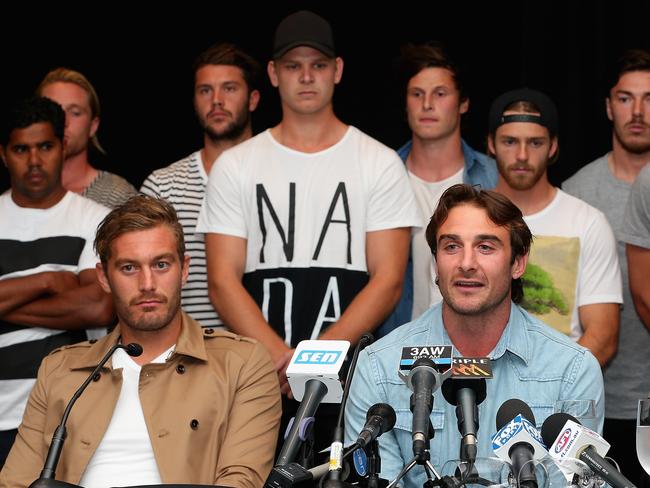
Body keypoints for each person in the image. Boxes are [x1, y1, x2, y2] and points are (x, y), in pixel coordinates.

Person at [196, 10, 419, 455]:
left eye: (318, 65)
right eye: (293, 66)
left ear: (337, 71)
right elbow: (221, 280)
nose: (306, 77)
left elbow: (389, 278)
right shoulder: (237, 165)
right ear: (275, 74)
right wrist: (280, 358)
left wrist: (313, 361)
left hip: (350, 376)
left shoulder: (377, 161)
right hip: (258, 372)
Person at [0, 195, 282, 488]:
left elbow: (241, 482)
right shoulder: (61, 369)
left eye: (161, 265)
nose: (147, 284)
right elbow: (15, 482)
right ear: (104, 278)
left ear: (184, 269)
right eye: (129, 268)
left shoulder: (241, 363)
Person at [345, 184, 604, 488]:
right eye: (451, 246)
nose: (466, 264)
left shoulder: (571, 370)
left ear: (518, 263)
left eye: (486, 247)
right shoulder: (379, 367)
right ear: (436, 262)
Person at [0, 97, 113, 467]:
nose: (34, 161)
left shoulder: (95, 219)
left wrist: (8, 301)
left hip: (68, 415)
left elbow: (97, 305)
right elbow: (80, 302)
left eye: (45, 147)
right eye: (21, 149)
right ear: (3, 154)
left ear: (63, 147)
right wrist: (50, 280)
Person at [563, 48, 650, 485]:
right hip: (603, 397)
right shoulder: (577, 193)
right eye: (625, 98)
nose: (638, 112)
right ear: (607, 107)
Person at [490, 88, 622, 366]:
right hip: (478, 391)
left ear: (552, 147)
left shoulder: (587, 222)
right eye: (510, 141)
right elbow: (442, 323)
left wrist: (545, 386)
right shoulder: (466, 220)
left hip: (560, 395)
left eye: (535, 143)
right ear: (491, 144)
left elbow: (603, 336)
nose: (522, 155)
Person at [141, 42, 261, 330]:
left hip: (267, 357)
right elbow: (143, 281)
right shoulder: (163, 185)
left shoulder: (280, 177)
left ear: (253, 99)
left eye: (229, 88)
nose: (216, 100)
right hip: (186, 359)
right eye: (205, 90)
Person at [381, 42, 498, 333]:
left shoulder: (494, 177)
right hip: (398, 348)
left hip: (479, 346)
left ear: (463, 103)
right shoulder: (380, 174)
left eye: (440, 93)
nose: (427, 104)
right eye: (417, 94)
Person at [37, 68, 138, 208]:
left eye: (75, 113)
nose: (63, 121)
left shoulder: (118, 197)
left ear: (93, 126)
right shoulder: (18, 195)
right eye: (51, 111)